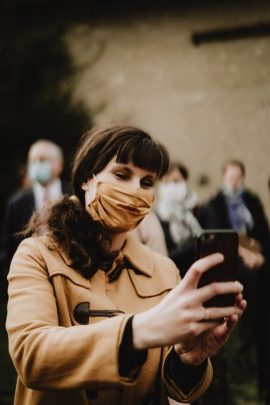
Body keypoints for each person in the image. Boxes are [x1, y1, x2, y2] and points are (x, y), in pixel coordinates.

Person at [6, 126, 246, 405]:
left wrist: (188, 359)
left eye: (147, 182)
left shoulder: (164, 271)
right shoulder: (36, 255)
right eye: (122, 175)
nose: (135, 190)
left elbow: (174, 393)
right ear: (86, 179)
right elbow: (31, 356)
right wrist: (138, 331)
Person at [197, 159, 270, 398]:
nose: (235, 182)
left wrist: (259, 255)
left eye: (239, 177)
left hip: (257, 262)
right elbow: (220, 236)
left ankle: (253, 345)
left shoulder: (251, 201)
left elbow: (263, 233)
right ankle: (241, 349)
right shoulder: (214, 205)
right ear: (223, 177)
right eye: (231, 177)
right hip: (232, 264)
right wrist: (246, 253)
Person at [0, 139, 71, 295]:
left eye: (43, 159)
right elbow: (8, 248)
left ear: (59, 166)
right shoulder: (17, 202)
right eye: (33, 160)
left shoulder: (73, 196)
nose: (38, 164)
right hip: (31, 284)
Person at [154, 162, 202, 277]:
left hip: (198, 275)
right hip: (168, 277)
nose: (171, 187)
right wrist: (193, 243)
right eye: (166, 182)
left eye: (176, 181)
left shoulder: (198, 210)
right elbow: (159, 257)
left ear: (185, 182)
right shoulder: (156, 216)